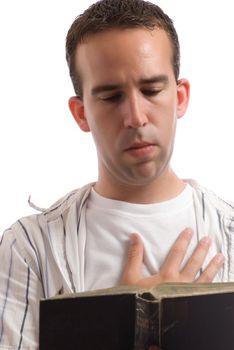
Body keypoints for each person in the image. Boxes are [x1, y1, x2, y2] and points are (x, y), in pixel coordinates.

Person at [0, 0, 233, 348]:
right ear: (81, 114)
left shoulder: (229, 235)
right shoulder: (31, 249)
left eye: (152, 91)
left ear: (180, 97)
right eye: (111, 97)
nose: (136, 116)